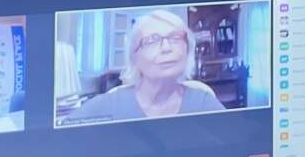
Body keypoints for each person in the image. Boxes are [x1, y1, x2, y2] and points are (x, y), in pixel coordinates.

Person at [66, 10, 224, 122]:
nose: (167, 48)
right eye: (152, 40)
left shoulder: (203, 103)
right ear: (134, 56)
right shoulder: (106, 107)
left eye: (175, 38)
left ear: (188, 49)